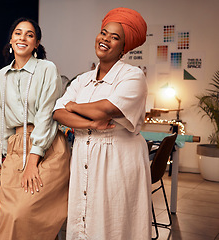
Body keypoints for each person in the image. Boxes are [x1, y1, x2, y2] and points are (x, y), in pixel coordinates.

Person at [53, 7, 151, 239]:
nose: (105, 39)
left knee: (115, 223)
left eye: (115, 37)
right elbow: (58, 112)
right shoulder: (82, 80)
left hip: (118, 159)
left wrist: (74, 107)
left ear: (124, 47)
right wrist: (92, 124)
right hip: (84, 156)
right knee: (85, 221)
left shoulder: (133, 76)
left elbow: (110, 108)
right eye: (104, 32)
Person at [0, 17, 70, 240]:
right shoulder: (1, 76)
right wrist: (5, 155)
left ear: (36, 43)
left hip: (47, 146)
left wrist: (33, 161)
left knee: (23, 211)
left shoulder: (47, 69)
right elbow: (1, 117)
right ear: (11, 39)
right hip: (16, 146)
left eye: (29, 35)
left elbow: (47, 115)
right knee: (8, 212)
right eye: (18, 33)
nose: (23, 38)